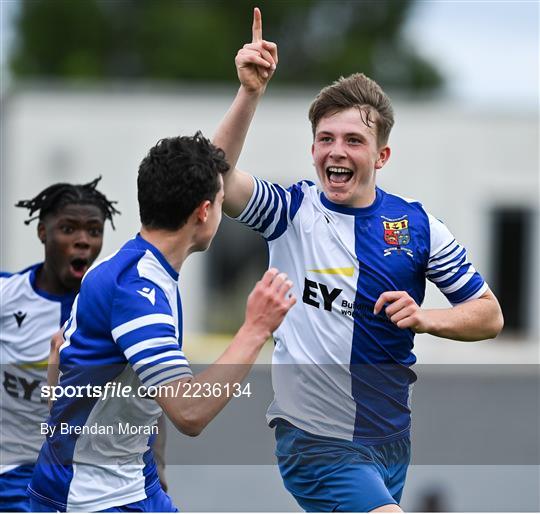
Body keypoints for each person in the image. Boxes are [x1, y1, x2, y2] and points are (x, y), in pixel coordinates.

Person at [213, 8, 504, 513]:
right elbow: (213, 178)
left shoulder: (418, 226)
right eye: (326, 139)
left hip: (391, 441)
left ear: (381, 156)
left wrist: (427, 318)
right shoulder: (292, 212)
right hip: (315, 440)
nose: (336, 151)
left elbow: (489, 314)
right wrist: (250, 93)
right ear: (312, 149)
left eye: (353, 140)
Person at [27, 132, 295, 512]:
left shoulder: (133, 267)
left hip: (135, 483)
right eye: (221, 202)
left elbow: (59, 350)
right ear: (204, 211)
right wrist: (255, 329)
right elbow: (188, 412)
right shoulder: (137, 292)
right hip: (91, 498)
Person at [0, 178, 119, 511]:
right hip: (15, 473)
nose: (83, 241)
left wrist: (159, 466)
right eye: (68, 229)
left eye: (94, 231)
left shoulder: (112, 311)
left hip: (87, 476)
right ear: (43, 232)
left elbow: (147, 393)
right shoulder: (8, 296)